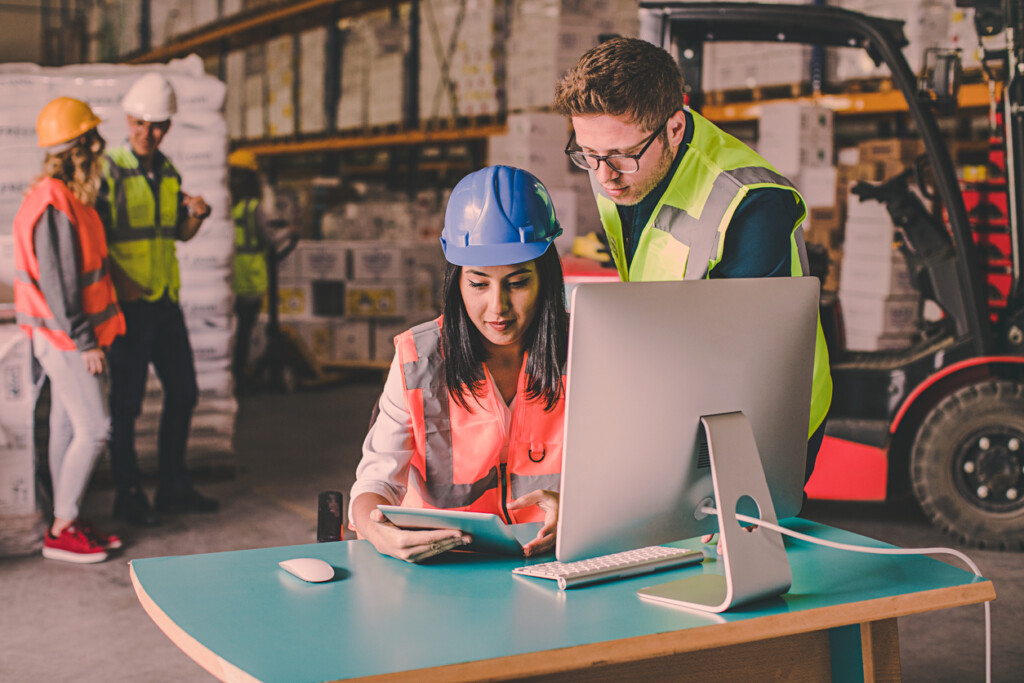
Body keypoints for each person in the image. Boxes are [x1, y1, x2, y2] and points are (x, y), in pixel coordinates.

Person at [554, 37, 832, 478]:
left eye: (621, 157)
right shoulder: (615, 160)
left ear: (675, 129)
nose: (604, 176)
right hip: (680, 384)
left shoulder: (751, 204)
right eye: (587, 154)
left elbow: (758, 369)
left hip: (767, 415)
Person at [350, 166, 568, 562]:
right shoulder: (417, 361)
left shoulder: (587, 353)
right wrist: (377, 532)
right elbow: (376, 481)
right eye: (479, 283)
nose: (497, 307)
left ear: (546, 280)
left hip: (555, 561)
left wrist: (582, 511)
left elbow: (629, 475)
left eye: (518, 283)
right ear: (456, 282)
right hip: (444, 566)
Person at [95, 72, 218, 527]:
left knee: (183, 393)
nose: (151, 132)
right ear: (128, 120)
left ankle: (173, 487)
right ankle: (128, 493)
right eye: (144, 123)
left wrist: (198, 218)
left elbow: (176, 236)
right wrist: (117, 282)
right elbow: (95, 240)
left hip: (165, 301)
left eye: (160, 124)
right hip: (127, 305)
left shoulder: (168, 172)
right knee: (125, 403)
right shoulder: (108, 170)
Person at [13, 97, 127, 562]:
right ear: (81, 148)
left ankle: (67, 516)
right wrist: (86, 342)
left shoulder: (57, 196)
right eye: (94, 144)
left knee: (66, 423)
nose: (100, 154)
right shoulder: (56, 203)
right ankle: (62, 528)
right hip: (67, 339)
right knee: (96, 428)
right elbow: (60, 288)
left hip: (59, 337)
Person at [227, 149, 295, 394]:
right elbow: (269, 239)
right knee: (245, 332)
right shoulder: (252, 207)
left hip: (230, 277)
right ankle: (240, 377)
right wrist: (289, 232)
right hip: (251, 278)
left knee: (234, 332)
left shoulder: (228, 206)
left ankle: (234, 374)